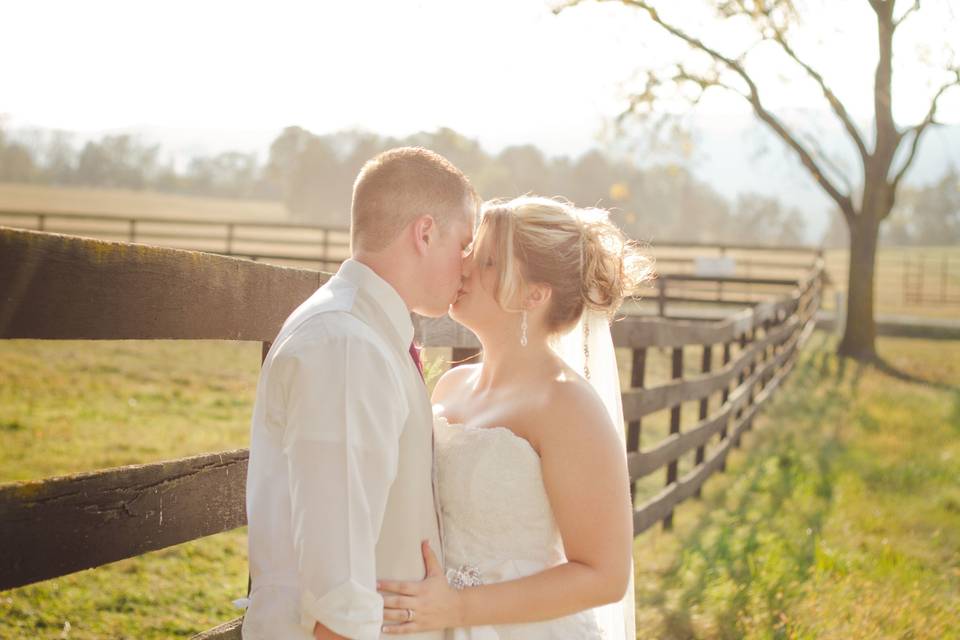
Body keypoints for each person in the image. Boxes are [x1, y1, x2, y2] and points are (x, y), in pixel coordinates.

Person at [377, 196, 653, 638]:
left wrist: (457, 609)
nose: (463, 268)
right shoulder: (451, 386)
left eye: (487, 262)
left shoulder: (568, 408)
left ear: (534, 294)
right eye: (471, 253)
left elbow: (605, 574)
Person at [242, 147, 479, 640]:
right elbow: (339, 589)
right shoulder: (347, 345)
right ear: (426, 232)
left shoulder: (365, 333)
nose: (469, 264)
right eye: (465, 241)